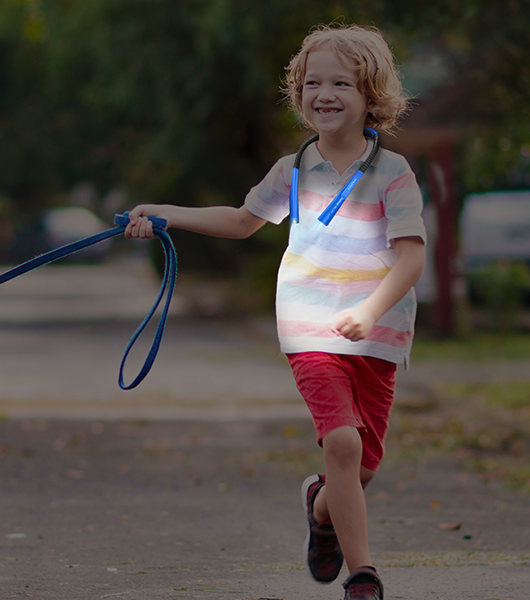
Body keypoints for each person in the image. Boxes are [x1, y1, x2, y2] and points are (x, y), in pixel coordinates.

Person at [123, 24, 424, 600]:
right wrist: (165, 213)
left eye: (341, 82)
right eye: (313, 82)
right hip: (310, 327)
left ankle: (319, 509)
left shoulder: (393, 173)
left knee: (359, 470)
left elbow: (411, 261)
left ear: (370, 96)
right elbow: (242, 222)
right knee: (342, 444)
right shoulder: (294, 168)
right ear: (299, 93)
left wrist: (370, 308)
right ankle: (364, 576)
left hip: (377, 335)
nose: (324, 93)